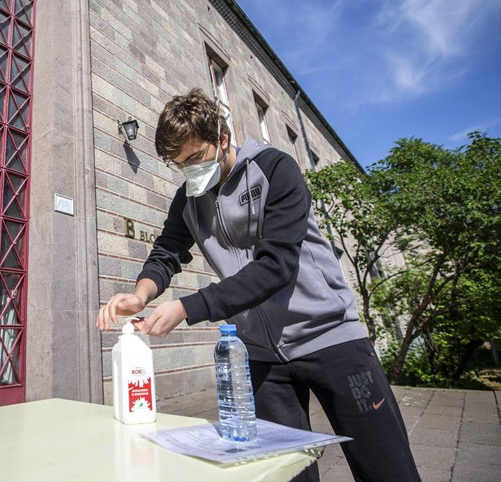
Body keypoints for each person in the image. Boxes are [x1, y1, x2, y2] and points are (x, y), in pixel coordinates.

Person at [97, 88, 420, 482]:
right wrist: (141, 292)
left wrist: (187, 308)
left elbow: (276, 266)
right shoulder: (188, 199)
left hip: (330, 338)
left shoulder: (275, 169)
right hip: (262, 355)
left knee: (386, 468)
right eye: (180, 165)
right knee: (285, 474)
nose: (190, 172)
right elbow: (167, 250)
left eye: (196, 158)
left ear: (223, 138)